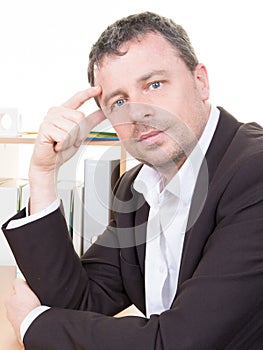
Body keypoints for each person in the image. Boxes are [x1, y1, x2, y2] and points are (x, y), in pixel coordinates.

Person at [2, 11, 263, 349]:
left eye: (154, 84)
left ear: (200, 82)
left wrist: (33, 324)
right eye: (120, 101)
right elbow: (80, 300)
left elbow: (179, 343)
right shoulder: (137, 189)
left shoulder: (254, 174)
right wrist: (41, 174)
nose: (139, 112)